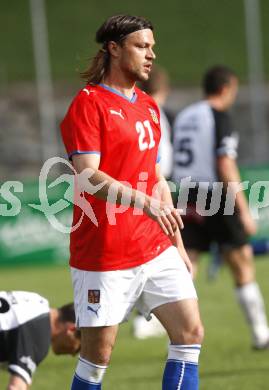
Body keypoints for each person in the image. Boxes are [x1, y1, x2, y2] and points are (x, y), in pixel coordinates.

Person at [61, 14, 203, 390]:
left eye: (152, 47)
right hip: (105, 252)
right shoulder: (88, 104)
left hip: (154, 246)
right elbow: (87, 176)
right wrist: (143, 202)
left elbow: (156, 179)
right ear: (114, 48)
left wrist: (178, 246)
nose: (151, 54)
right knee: (97, 359)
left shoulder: (149, 107)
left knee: (190, 333)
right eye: (142, 46)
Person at [172, 65, 269, 350]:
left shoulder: (185, 115)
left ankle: (169, 330)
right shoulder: (219, 116)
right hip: (215, 194)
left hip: (186, 192)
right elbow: (225, 162)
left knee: (185, 265)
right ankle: (260, 332)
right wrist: (244, 209)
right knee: (241, 261)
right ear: (226, 88)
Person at [133, 64, 173, 339]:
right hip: (153, 190)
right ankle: (144, 316)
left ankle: (147, 315)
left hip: (146, 189)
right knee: (148, 256)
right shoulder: (153, 113)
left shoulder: (141, 111)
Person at [0, 290, 80, 390]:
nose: (73, 354)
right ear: (72, 329)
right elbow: (16, 387)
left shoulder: (36, 300)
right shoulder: (41, 335)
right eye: (78, 348)